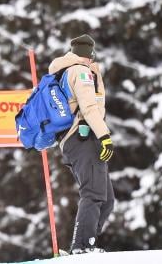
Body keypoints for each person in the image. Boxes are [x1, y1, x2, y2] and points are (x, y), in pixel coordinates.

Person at [48, 34, 115, 254]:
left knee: (106, 199)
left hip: (74, 140)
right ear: (89, 53)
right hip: (83, 137)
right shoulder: (80, 71)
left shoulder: (63, 70)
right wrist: (105, 136)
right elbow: (89, 108)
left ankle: (86, 243)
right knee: (94, 193)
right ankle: (83, 246)